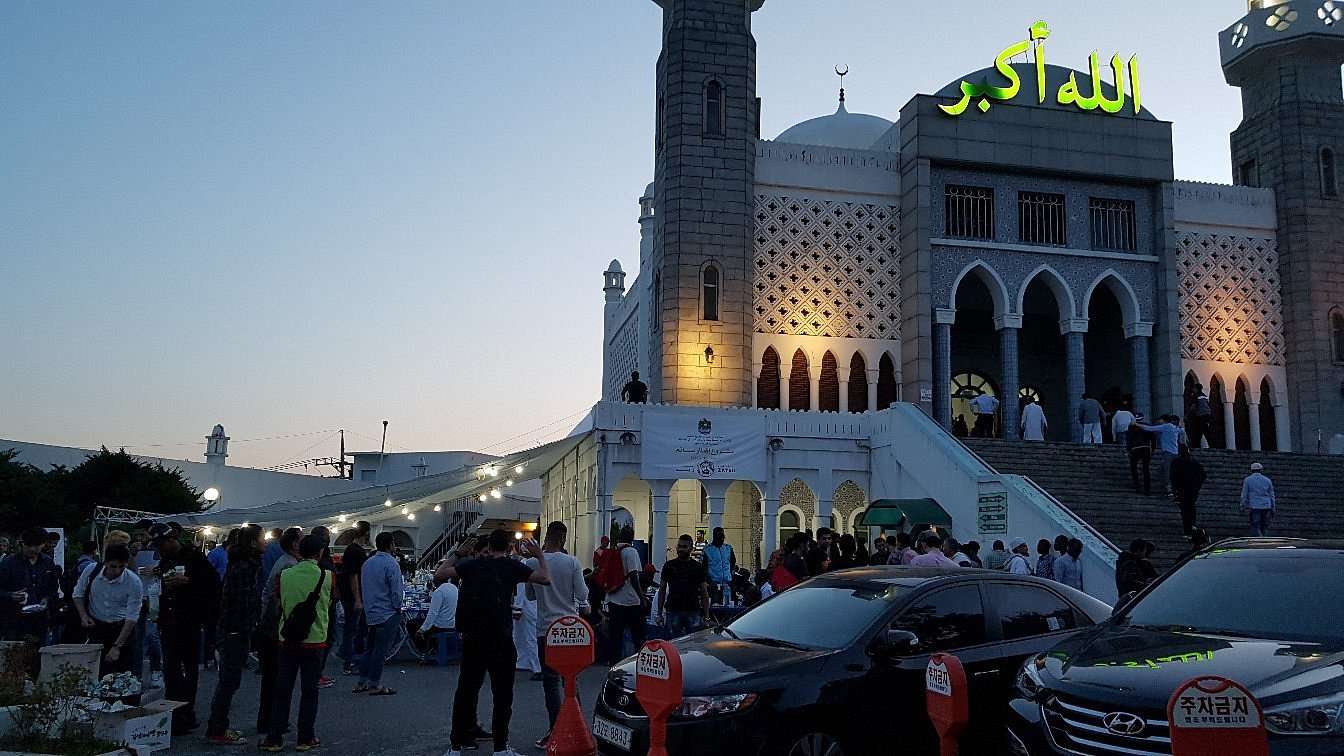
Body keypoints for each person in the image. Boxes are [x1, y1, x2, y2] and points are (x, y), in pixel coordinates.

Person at [435, 529, 550, 756]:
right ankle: (500, 747)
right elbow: (545, 578)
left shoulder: (471, 565)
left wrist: (458, 553)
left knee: (466, 691)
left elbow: (439, 575)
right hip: (501, 637)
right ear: (508, 547)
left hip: (473, 637)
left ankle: (456, 745)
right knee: (503, 693)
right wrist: (539, 555)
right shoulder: (512, 567)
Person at [259, 534, 333, 753]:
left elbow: (280, 601)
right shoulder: (327, 576)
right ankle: (305, 737)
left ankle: (274, 737)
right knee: (310, 691)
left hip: (287, 640)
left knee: (282, 689)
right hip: (315, 640)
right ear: (319, 553)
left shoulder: (286, 575)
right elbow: (329, 602)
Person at [524, 522, 588, 750]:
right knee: (571, 681)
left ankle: (554, 730)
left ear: (547, 537)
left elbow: (530, 595)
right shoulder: (572, 562)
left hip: (546, 629)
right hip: (570, 628)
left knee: (550, 683)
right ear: (563, 539)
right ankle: (578, 728)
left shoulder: (532, 562)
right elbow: (582, 594)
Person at [154, 523, 220, 735]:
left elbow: (214, 584)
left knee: (189, 669)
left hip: (189, 621)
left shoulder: (195, 557)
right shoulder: (165, 560)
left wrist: (189, 582)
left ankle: (186, 713)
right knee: (171, 670)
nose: (159, 549)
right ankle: (173, 711)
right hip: (168, 621)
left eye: (161, 544)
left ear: (172, 540)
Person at [205, 524, 264, 745]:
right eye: (261, 538)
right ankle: (217, 728)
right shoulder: (243, 568)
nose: (264, 542)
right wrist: (242, 630)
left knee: (230, 681)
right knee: (228, 681)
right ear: (252, 543)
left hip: (235, 629)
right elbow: (239, 603)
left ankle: (218, 726)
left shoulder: (243, 564)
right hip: (234, 631)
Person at [256, 527, 302, 737]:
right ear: (294, 543)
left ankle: (269, 720)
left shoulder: (284, 561)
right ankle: (272, 722)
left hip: (270, 624)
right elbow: (282, 600)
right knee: (276, 677)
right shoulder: (289, 566)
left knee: (272, 677)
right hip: (275, 627)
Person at [72, 543, 142, 675]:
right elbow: (78, 594)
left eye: (122, 567)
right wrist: (83, 616)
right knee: (96, 671)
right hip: (98, 627)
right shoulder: (91, 570)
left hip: (121, 628)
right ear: (105, 563)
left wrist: (117, 646)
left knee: (124, 673)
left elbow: (132, 617)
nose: (117, 571)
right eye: (113, 566)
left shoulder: (133, 581)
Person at [353, 531, 404, 696]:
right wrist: (398, 607)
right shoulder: (392, 564)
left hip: (371, 611)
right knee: (380, 650)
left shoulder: (367, 563)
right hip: (387, 612)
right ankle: (375, 683)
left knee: (370, 648)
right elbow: (396, 590)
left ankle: (362, 681)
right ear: (390, 545)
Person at [0, 527, 60, 642]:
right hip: (15, 622)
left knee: (40, 655)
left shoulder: (47, 563)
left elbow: (53, 588)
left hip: (40, 621)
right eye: (31, 546)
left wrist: (47, 599)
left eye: (39, 546)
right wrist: (10, 596)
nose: (35, 549)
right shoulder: (8, 564)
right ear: (23, 544)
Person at [602, 525, 646, 663]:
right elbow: (633, 575)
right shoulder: (631, 552)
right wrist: (641, 597)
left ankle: (613, 662)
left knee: (615, 635)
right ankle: (637, 661)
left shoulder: (614, 550)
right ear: (632, 537)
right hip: (630, 600)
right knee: (637, 634)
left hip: (613, 598)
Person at [658, 534, 711, 638]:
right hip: (673, 609)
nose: (681, 549)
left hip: (692, 610)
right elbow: (662, 589)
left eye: (684, 547)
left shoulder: (697, 567)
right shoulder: (669, 565)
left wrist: (707, 617)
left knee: (693, 645)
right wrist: (659, 613)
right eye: (679, 546)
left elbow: (704, 592)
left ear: (691, 549)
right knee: (673, 645)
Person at [336, 520, 370, 675]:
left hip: (350, 594)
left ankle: (346, 653)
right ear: (366, 533)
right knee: (353, 628)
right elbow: (353, 575)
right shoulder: (355, 551)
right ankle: (349, 662)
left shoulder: (352, 549)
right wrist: (358, 598)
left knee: (355, 626)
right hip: (353, 596)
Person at [1136, 415, 1181, 495]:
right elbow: (1182, 431)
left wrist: (1136, 424)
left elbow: (1149, 428)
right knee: (1162, 470)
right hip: (1175, 452)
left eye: (1160, 420)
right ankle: (1169, 487)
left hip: (1168, 453)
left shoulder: (1166, 426)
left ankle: (1169, 489)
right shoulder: (1174, 427)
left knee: (1166, 470)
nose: (1159, 421)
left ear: (1163, 420)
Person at [1169, 444, 1206, 536]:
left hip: (1182, 490)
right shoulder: (1195, 463)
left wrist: (1175, 489)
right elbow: (1203, 475)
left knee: (1184, 510)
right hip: (1193, 490)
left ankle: (1187, 529)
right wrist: (1197, 486)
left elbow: (1173, 476)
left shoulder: (1176, 462)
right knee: (1191, 507)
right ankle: (1192, 525)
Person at [700, 527, 736, 604]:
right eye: (719, 536)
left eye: (723, 536)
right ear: (714, 536)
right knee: (715, 606)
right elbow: (703, 568)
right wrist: (710, 581)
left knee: (728, 605)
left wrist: (731, 575)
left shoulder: (728, 548)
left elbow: (733, 563)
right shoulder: (707, 550)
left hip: (727, 584)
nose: (721, 539)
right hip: (714, 585)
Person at [1241, 462, 1276, 536]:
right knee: (1265, 525)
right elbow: (1271, 495)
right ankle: (1265, 538)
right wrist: (1273, 507)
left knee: (1256, 525)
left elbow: (1244, 494)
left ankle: (1259, 539)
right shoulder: (1267, 480)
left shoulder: (1248, 480)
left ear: (1251, 470)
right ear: (1261, 470)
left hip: (1255, 505)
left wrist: (1243, 505)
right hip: (1266, 505)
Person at [1126, 413, 1153, 495]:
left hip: (1135, 448)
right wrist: (1153, 448)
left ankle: (1137, 485)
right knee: (1146, 468)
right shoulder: (1147, 425)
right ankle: (1147, 489)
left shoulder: (1131, 426)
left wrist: (1128, 449)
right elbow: (1153, 438)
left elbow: (1129, 438)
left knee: (1134, 467)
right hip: (1146, 448)